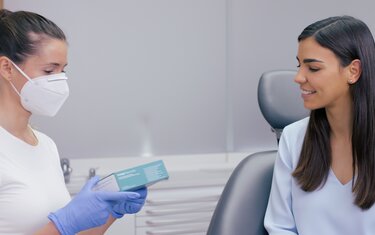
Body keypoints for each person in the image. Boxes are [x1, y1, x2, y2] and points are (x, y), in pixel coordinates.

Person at [0, 9, 147, 235]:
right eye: (49, 70)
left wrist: (110, 213)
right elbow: (62, 228)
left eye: (63, 70)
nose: (59, 81)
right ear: (8, 68)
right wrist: (62, 224)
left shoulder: (46, 145)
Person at [264, 15, 375, 235]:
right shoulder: (294, 137)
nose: (298, 77)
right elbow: (280, 227)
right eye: (299, 66)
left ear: (353, 71)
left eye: (313, 68)